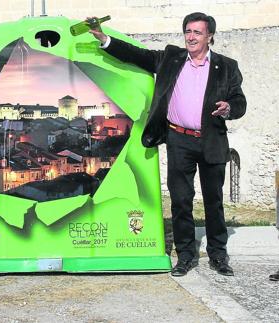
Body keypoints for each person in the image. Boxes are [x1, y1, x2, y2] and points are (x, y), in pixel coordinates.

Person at [88, 12, 246, 276]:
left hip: (211, 141)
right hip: (179, 140)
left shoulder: (227, 66)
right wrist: (105, 39)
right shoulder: (171, 58)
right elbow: (137, 54)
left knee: (213, 201)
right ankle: (185, 256)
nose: (191, 37)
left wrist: (229, 107)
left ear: (209, 36)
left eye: (197, 32)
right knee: (181, 201)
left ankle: (218, 255)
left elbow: (240, 102)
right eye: (188, 31)